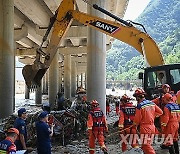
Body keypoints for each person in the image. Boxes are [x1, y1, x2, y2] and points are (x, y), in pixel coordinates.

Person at [133, 88, 163, 154]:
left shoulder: (140, 106)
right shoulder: (151, 103)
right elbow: (161, 112)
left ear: (138, 97)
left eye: (136, 97)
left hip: (145, 127)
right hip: (152, 127)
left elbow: (137, 120)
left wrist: (134, 125)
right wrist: (152, 116)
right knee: (145, 145)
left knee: (146, 145)